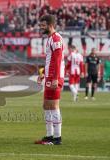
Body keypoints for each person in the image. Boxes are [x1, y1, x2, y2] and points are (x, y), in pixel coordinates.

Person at [35, 15, 65, 145]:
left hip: (54, 77)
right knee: (46, 105)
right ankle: (49, 136)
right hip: (49, 76)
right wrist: (43, 73)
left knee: (53, 105)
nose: (41, 28)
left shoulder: (56, 38)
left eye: (43, 25)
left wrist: (55, 78)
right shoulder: (50, 39)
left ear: (50, 25)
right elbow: (50, 60)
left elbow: (58, 60)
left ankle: (57, 138)